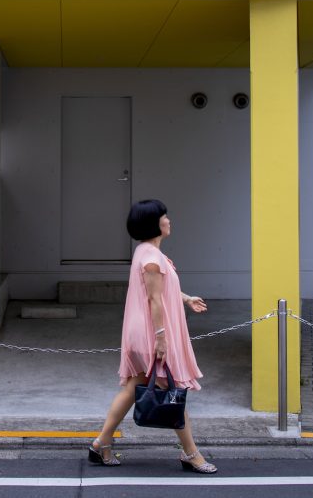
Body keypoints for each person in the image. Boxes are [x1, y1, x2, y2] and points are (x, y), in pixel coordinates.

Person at [88, 199, 217, 474]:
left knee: (133, 388)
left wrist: (186, 299)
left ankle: (101, 444)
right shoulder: (151, 258)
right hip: (150, 334)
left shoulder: (146, 252)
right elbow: (154, 299)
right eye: (164, 217)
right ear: (153, 224)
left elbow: (162, 290)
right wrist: (161, 338)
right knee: (174, 390)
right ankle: (191, 453)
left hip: (141, 332)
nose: (169, 220)